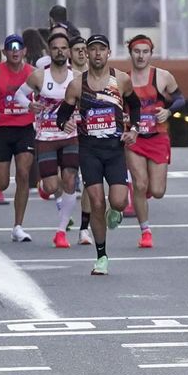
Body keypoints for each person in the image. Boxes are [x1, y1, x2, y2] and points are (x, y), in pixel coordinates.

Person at [56, 35, 137, 276]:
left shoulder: (121, 80)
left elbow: (137, 105)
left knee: (119, 201)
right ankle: (101, 256)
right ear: (86, 54)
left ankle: (118, 209)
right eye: (93, 50)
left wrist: (134, 129)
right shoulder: (76, 85)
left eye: (102, 49)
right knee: (97, 203)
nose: (97, 54)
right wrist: (64, 125)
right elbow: (62, 114)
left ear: (108, 53)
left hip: (114, 150)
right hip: (89, 151)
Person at [125, 35, 182, 249]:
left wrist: (168, 111)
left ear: (151, 53)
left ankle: (144, 192)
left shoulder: (162, 76)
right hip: (135, 138)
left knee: (157, 191)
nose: (140, 56)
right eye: (136, 51)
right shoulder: (124, 79)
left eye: (145, 52)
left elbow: (180, 99)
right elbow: (117, 105)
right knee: (139, 183)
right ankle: (145, 231)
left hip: (157, 137)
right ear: (130, 53)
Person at [0, 34, 38, 243]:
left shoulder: (33, 73)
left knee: (23, 173)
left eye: (18, 48)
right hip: (1, 130)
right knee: (2, 183)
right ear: (4, 52)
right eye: (10, 48)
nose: (15, 51)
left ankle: (18, 226)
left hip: (24, 128)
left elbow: (44, 95)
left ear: (24, 51)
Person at [26, 31, 80, 248]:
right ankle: (45, 184)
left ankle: (61, 231)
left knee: (69, 180)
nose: (60, 51)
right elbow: (21, 94)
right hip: (46, 135)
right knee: (51, 186)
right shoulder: (40, 76)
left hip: (70, 135)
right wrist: (30, 105)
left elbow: (84, 103)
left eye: (64, 48)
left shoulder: (76, 77)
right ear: (50, 51)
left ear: (68, 51)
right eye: (56, 48)